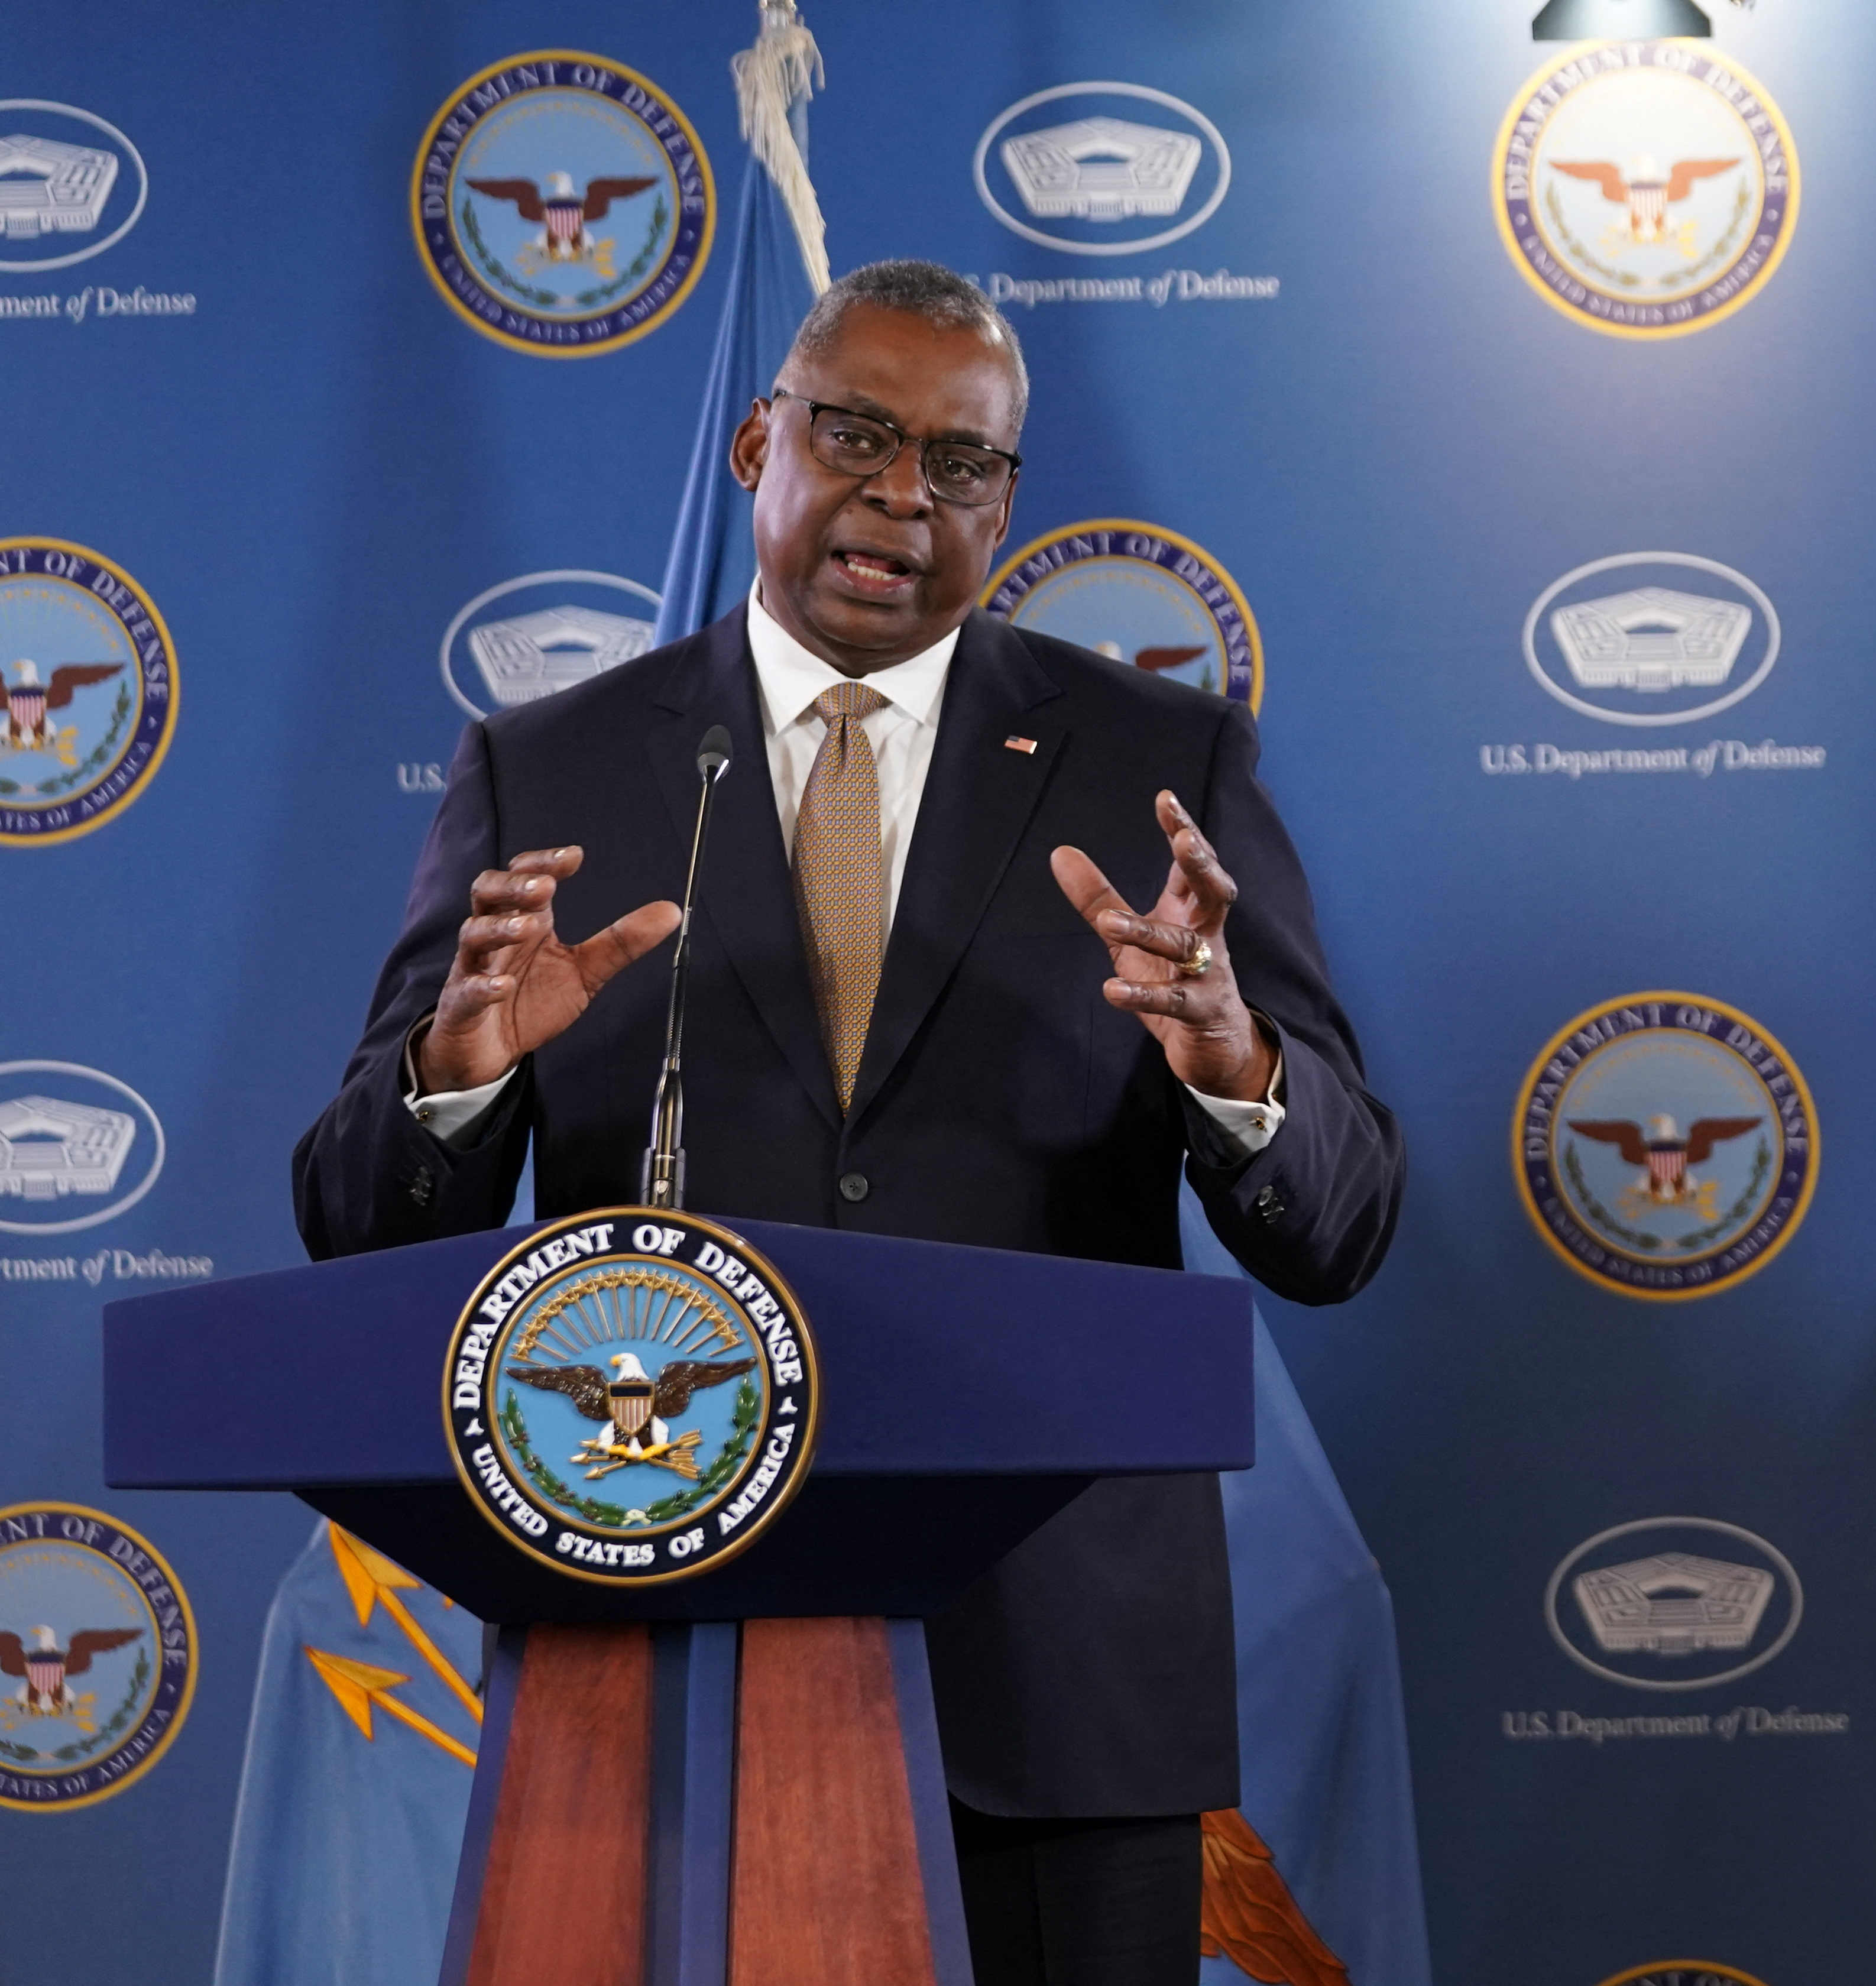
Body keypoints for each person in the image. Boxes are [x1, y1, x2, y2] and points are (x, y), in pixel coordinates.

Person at [292, 260, 1403, 1986]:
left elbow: (1337, 1231)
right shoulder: (551, 768)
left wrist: (1234, 1066)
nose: (903, 496)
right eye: (858, 434)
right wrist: (467, 1071)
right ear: (759, 443)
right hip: (660, 1657)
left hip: (1066, 1689)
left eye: (960, 463)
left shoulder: (1156, 757)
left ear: (1006, 500)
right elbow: (358, 1229)